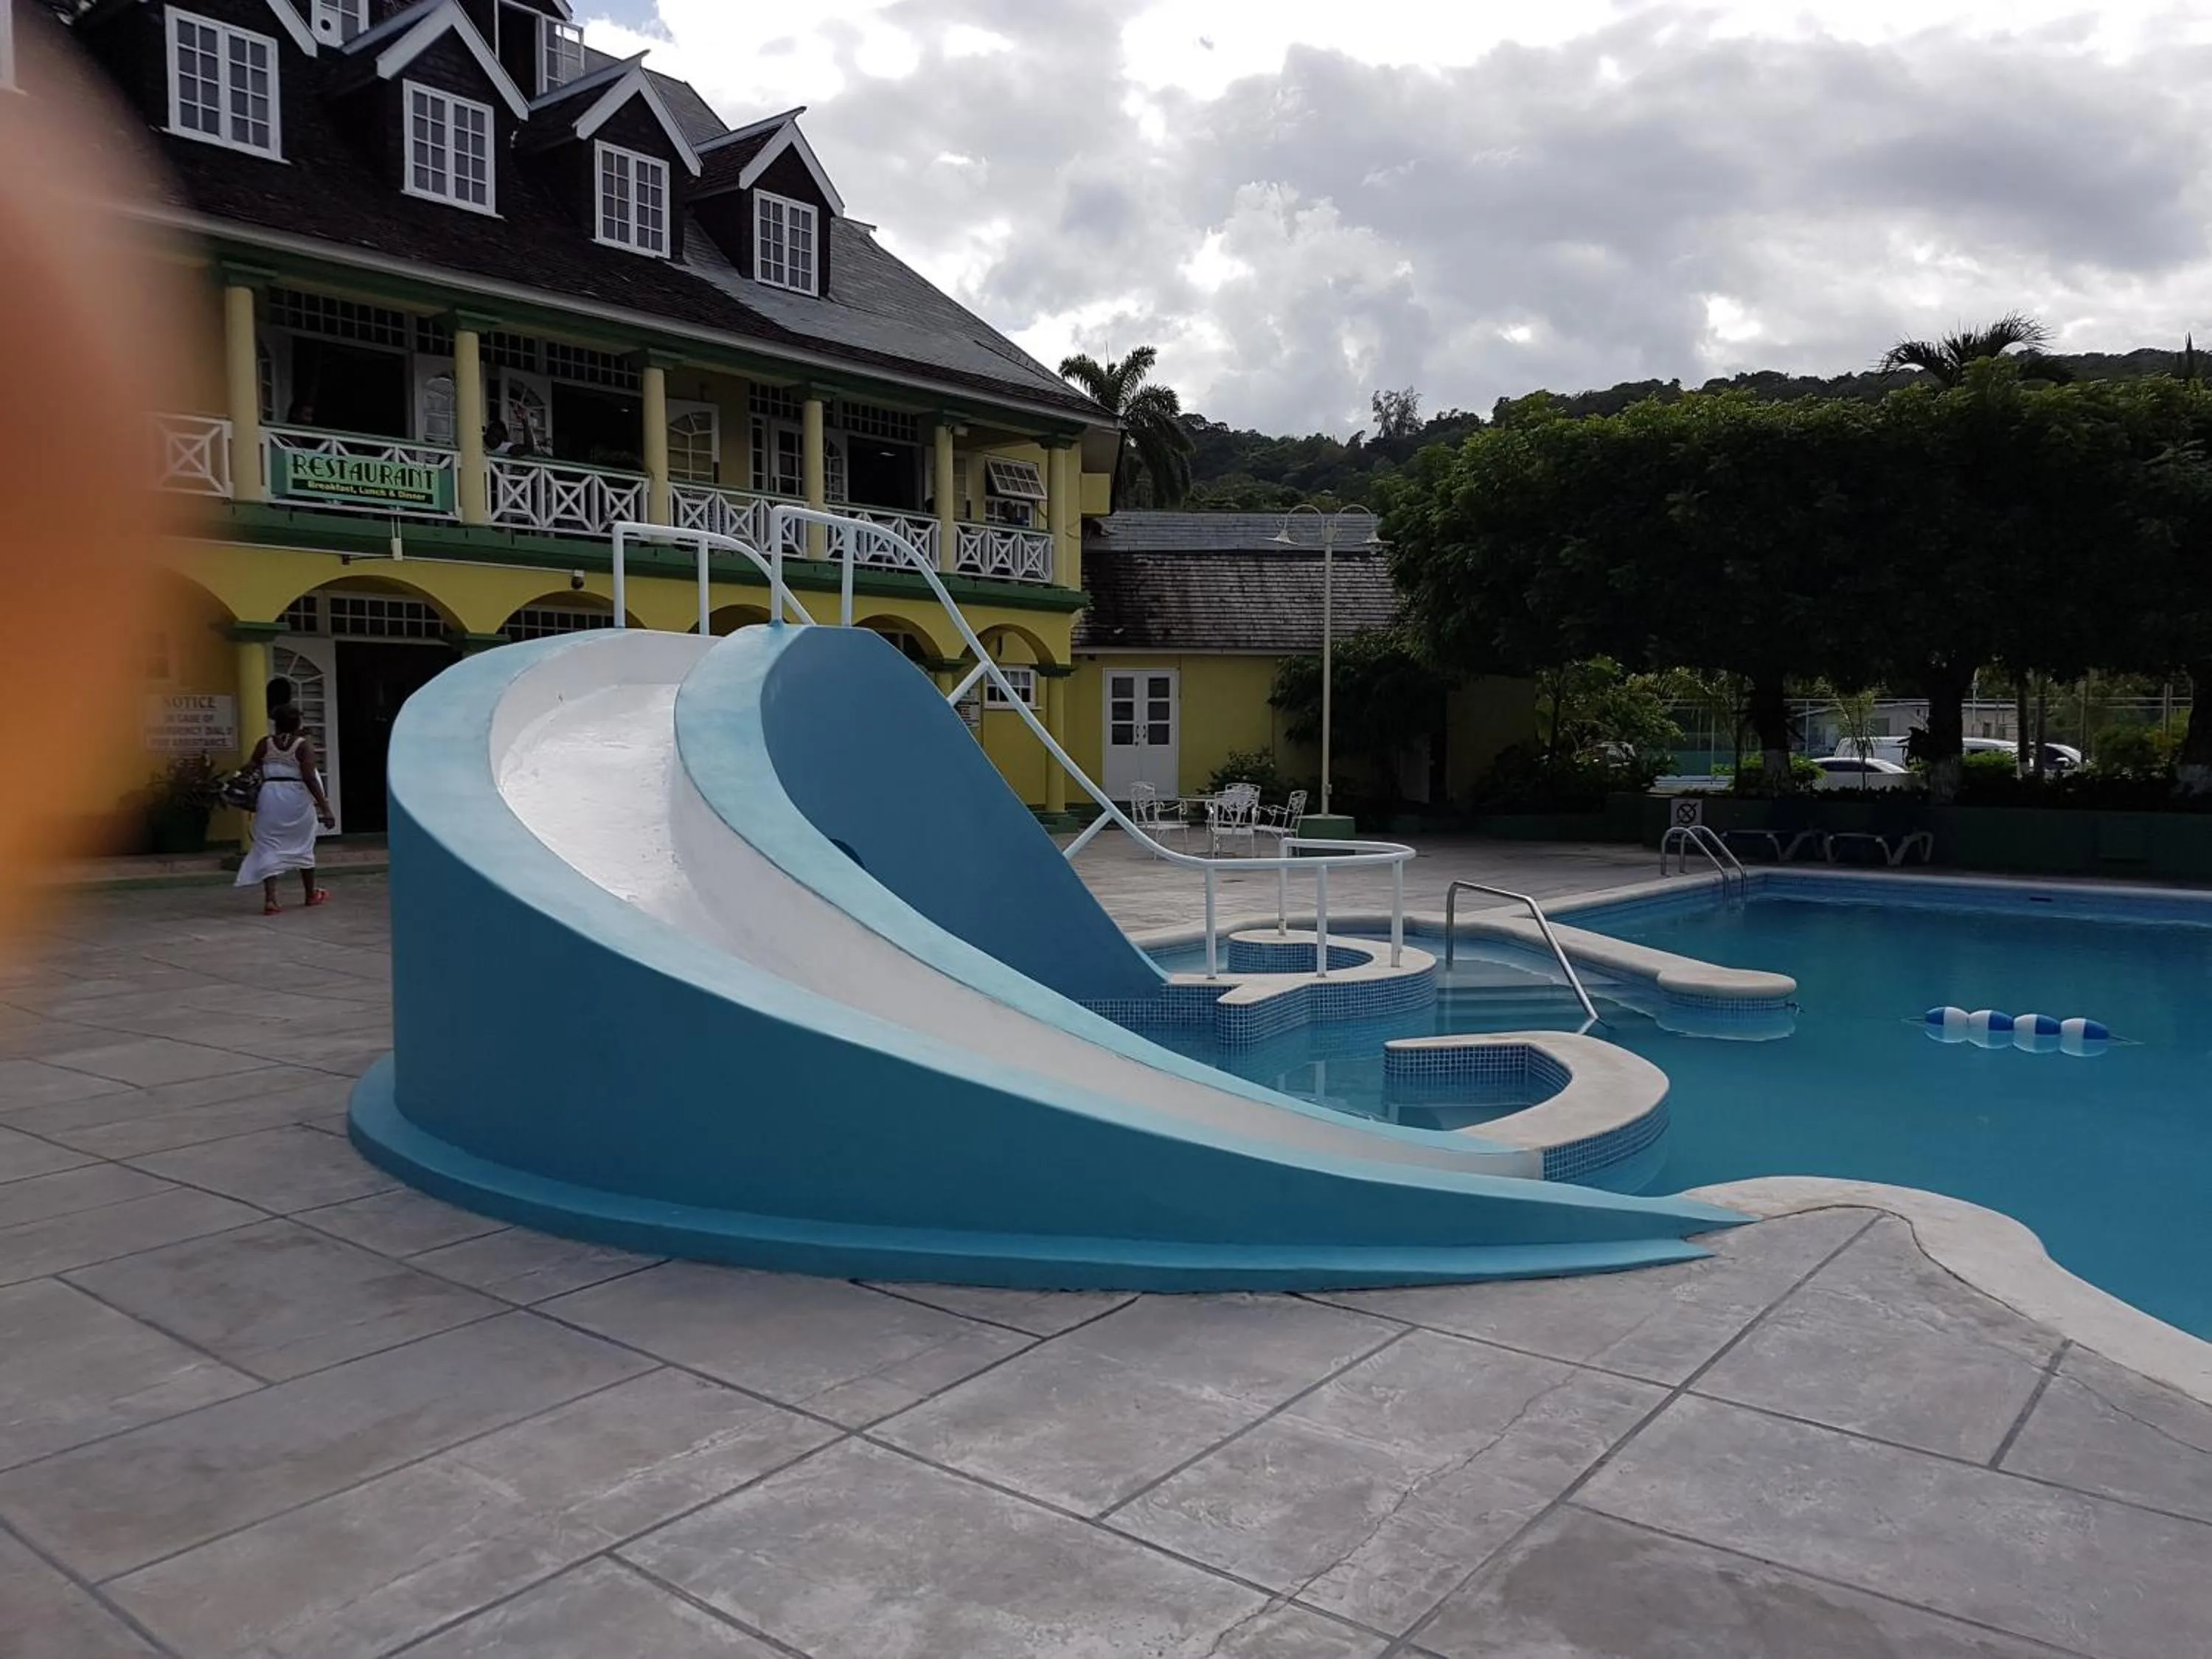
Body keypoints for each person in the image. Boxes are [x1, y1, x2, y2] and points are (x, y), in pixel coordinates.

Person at [234, 704, 335, 915]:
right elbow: (309, 778)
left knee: (269, 844)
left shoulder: (265, 743)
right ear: (298, 723)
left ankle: (271, 900)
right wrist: (325, 808)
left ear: (276, 723)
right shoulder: (303, 746)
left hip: (270, 798)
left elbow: (250, 767)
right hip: (296, 799)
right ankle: (309, 895)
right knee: (304, 844)